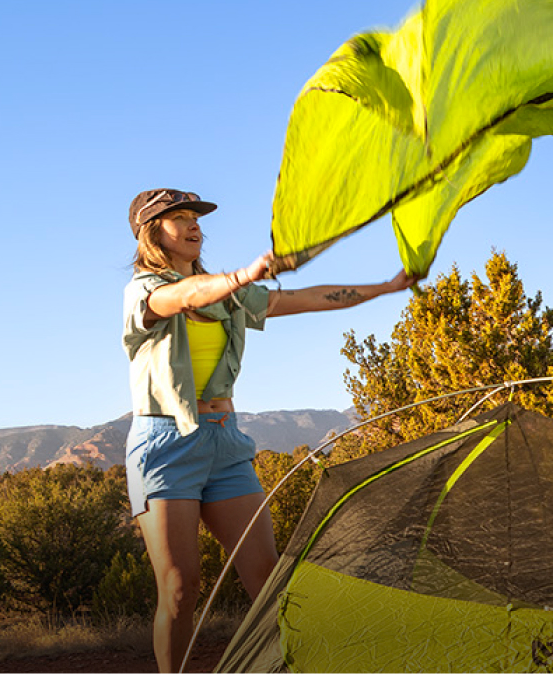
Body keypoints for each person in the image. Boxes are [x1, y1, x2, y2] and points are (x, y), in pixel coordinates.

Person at [120, 188, 414, 673]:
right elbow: (184, 296)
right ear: (152, 232)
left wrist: (385, 287)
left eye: (196, 217)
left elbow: (302, 298)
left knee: (268, 579)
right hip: (165, 446)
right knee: (179, 587)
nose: (194, 225)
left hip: (226, 443)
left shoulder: (231, 294)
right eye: (180, 218)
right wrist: (244, 274)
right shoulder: (143, 291)